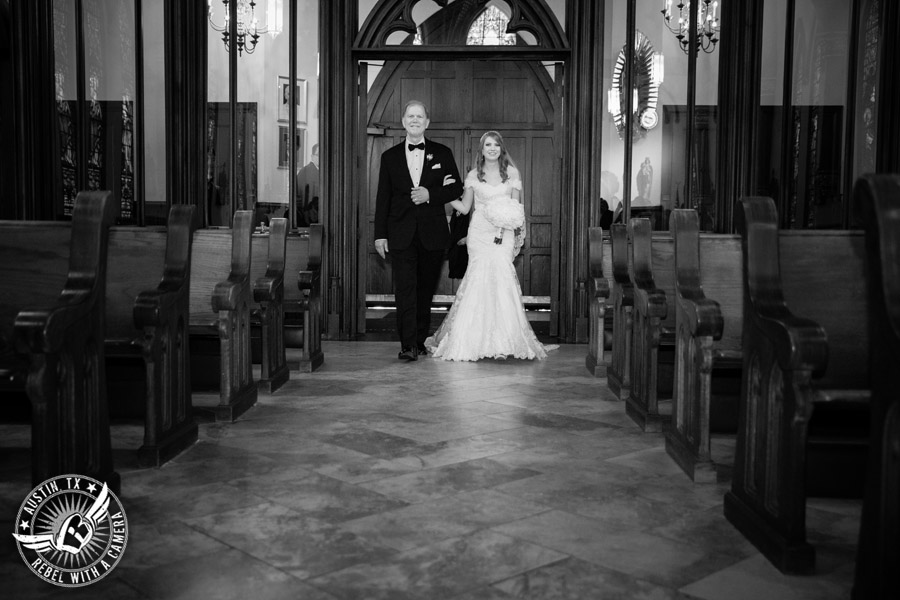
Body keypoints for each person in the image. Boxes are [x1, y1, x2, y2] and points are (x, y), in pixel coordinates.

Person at [425, 131, 557, 361]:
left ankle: (505, 339)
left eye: (496, 145)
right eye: (488, 144)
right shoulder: (474, 175)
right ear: (482, 149)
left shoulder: (512, 173)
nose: (492, 148)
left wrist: (509, 222)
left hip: (502, 234)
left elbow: (516, 207)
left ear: (501, 148)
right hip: (479, 234)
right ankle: (472, 340)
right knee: (478, 280)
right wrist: (441, 194)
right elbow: (465, 208)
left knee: (502, 278)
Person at [374, 100, 464, 361]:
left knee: (425, 291)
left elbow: (456, 188)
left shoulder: (443, 153)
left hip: (432, 234)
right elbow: (383, 198)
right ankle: (407, 345)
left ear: (426, 122)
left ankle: (420, 341)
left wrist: (430, 195)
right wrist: (380, 234)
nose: (415, 120)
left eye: (420, 116)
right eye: (410, 116)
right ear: (404, 122)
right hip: (400, 234)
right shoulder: (389, 157)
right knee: (405, 290)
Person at [296, 143, 319, 226]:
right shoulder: (306, 172)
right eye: (318, 155)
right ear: (312, 156)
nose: (321, 157)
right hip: (309, 215)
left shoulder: (321, 172)